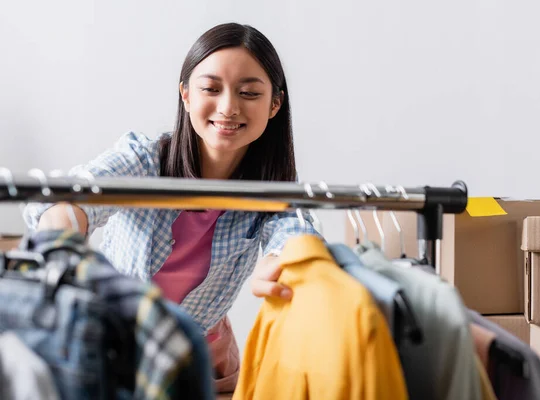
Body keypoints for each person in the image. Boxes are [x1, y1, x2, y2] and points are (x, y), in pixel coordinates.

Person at [22, 22, 319, 393]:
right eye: (211, 89)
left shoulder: (273, 190)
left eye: (248, 93)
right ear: (186, 95)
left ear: (275, 103)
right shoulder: (142, 159)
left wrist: (284, 264)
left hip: (201, 363)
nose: (228, 107)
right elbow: (72, 197)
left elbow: (297, 233)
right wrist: (63, 231)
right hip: (111, 350)